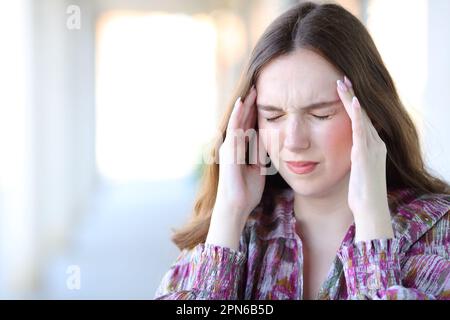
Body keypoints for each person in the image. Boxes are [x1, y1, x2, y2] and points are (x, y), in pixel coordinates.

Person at [154, 1, 450, 300]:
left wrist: (372, 226)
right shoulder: (239, 232)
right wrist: (229, 214)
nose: (294, 141)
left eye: (320, 114)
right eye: (273, 116)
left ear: (371, 115)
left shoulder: (437, 233)